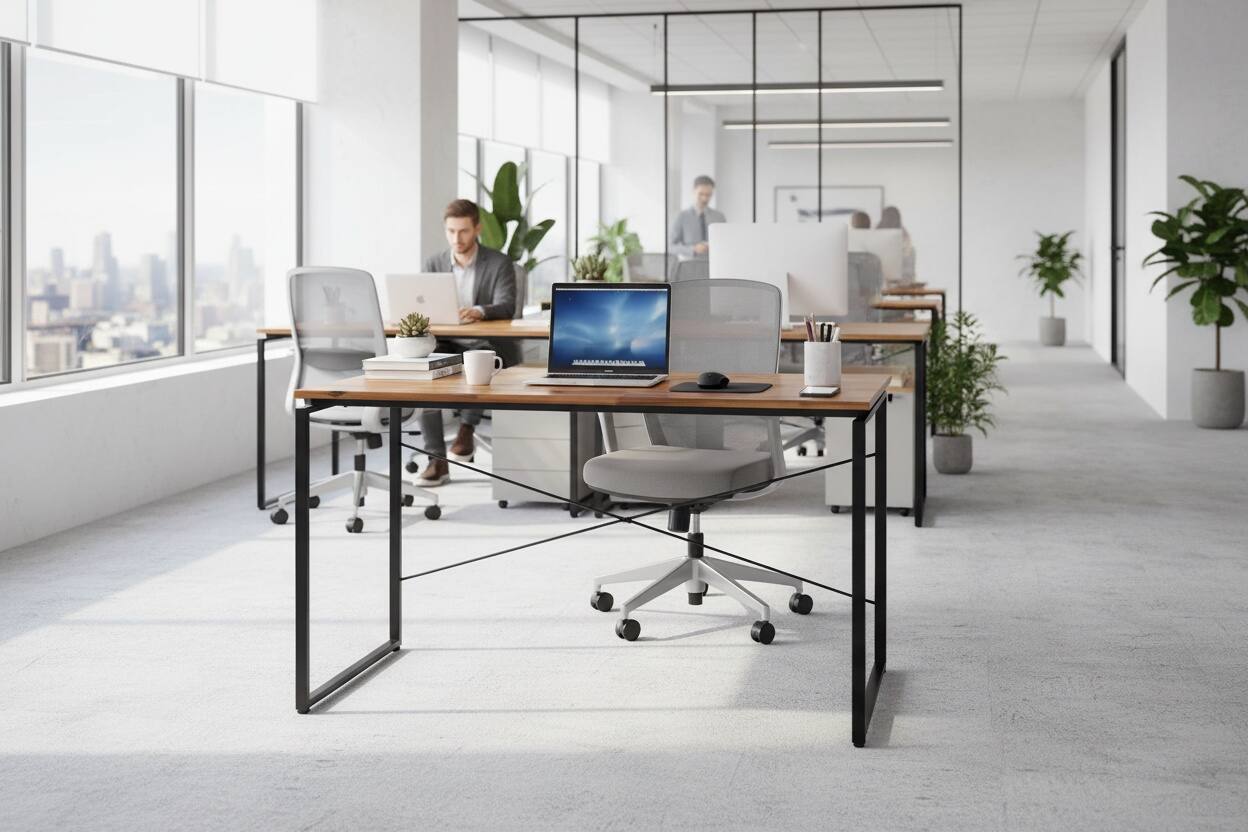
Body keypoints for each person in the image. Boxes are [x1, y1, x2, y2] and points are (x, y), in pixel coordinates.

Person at [416, 199, 519, 487]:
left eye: (462, 231)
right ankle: (436, 459)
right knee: (424, 371)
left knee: (479, 358)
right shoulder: (434, 263)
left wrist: (480, 310)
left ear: (477, 229)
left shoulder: (498, 262)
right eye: (451, 231)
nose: (456, 239)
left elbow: (507, 305)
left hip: (484, 340)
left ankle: (466, 428)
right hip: (445, 340)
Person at [669, 175, 725, 258]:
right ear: (693, 191)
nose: (704, 199)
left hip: (714, 265)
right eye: (701, 194)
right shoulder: (682, 217)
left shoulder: (719, 217)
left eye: (708, 195)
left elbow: (726, 243)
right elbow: (671, 247)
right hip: (690, 266)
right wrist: (693, 249)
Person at [877, 205, 917, 284]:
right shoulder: (876, 233)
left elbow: (908, 257)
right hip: (882, 278)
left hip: (900, 279)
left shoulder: (904, 236)